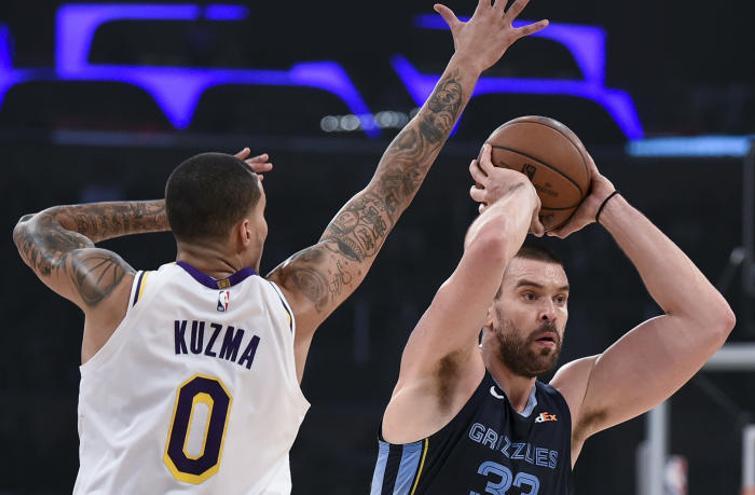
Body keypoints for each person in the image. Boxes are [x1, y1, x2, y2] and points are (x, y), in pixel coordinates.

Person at [10, 2, 549, 492]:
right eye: (260, 216)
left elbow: (37, 227)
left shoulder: (115, 294)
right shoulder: (291, 307)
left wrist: (172, 208)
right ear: (245, 232)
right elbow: (390, 190)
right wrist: (466, 66)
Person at [371, 144, 736, 493]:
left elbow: (708, 321)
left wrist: (606, 205)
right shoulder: (442, 374)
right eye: (529, 295)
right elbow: (493, 246)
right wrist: (522, 192)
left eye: (560, 299)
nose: (550, 312)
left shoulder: (566, 410)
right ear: (487, 311)